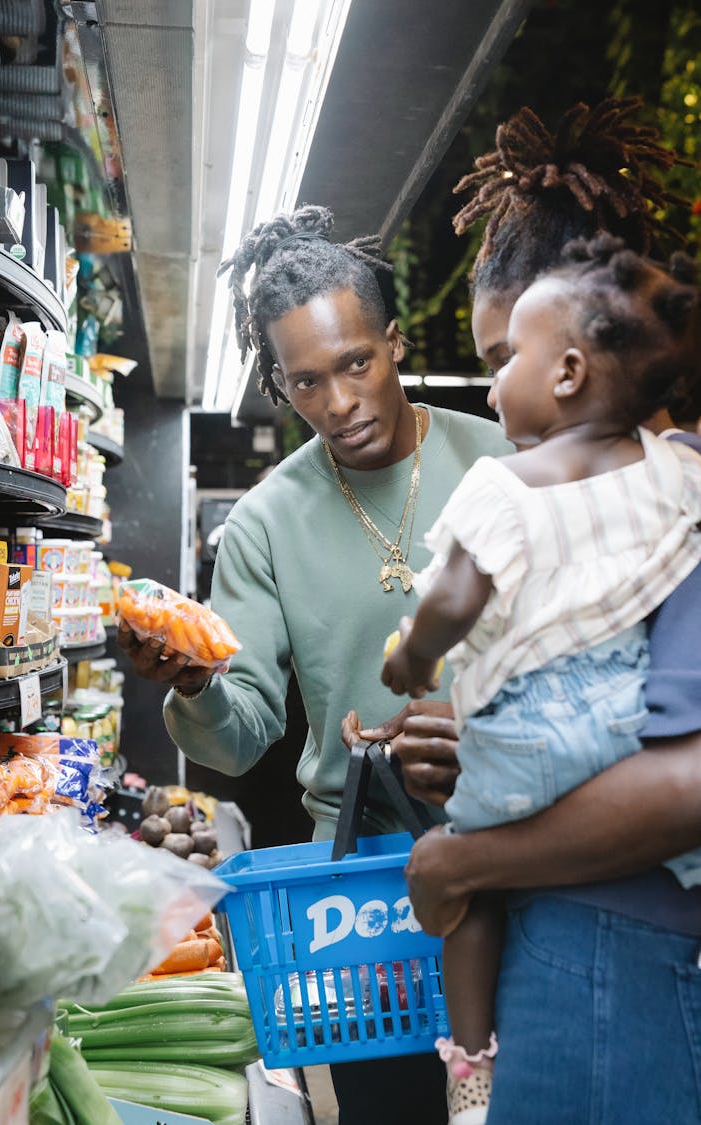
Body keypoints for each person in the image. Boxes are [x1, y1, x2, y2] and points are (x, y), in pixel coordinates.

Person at [118, 202, 511, 1125]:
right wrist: (194, 678)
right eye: (305, 382)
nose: (338, 403)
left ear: (395, 344)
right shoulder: (264, 523)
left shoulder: (500, 461)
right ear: (278, 386)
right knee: (396, 1106)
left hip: (524, 842)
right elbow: (241, 730)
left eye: (356, 365)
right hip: (371, 890)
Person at [372, 98, 701, 1124]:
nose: (496, 403)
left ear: (581, 359)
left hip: (627, 954)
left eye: (502, 361)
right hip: (573, 937)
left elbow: (690, 778)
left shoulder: (677, 498)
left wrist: (466, 856)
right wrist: (476, 745)